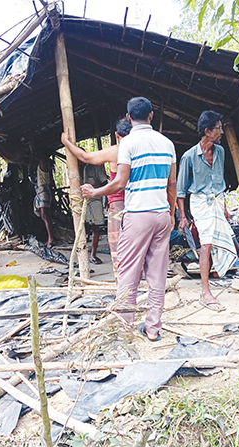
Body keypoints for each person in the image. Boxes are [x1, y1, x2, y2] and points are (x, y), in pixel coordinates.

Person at [81, 97, 177, 342]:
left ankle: (125, 330)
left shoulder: (128, 143)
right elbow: (172, 183)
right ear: (151, 116)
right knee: (157, 275)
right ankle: (153, 329)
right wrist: (172, 212)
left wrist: (95, 192)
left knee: (128, 273)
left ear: (128, 117)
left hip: (138, 216)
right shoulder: (167, 143)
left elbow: (120, 183)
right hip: (161, 214)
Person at [176, 110, 237, 312]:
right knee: (206, 243)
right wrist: (183, 216)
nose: (221, 131)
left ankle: (211, 279)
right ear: (207, 131)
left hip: (217, 200)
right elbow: (181, 190)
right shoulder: (189, 157)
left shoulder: (220, 152)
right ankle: (205, 291)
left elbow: (220, 181)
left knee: (219, 242)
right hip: (201, 202)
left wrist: (225, 208)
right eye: (218, 128)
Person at [61, 118, 132, 275]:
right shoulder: (143, 150)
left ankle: (123, 286)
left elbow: (85, 157)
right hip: (138, 204)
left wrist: (67, 142)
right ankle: (138, 281)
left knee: (117, 248)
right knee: (136, 247)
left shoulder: (116, 151)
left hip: (119, 204)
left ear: (117, 135)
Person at [82, 163, 108, 264]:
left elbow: (105, 183)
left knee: (96, 227)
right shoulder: (74, 170)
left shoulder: (94, 168)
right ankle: (83, 253)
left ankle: (93, 254)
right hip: (82, 202)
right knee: (84, 227)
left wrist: (107, 198)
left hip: (95, 200)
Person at [34, 157, 56, 248]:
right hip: (40, 192)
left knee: (46, 216)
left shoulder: (43, 162)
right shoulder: (38, 166)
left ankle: (51, 239)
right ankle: (50, 237)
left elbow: (41, 158)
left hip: (43, 192)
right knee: (43, 215)